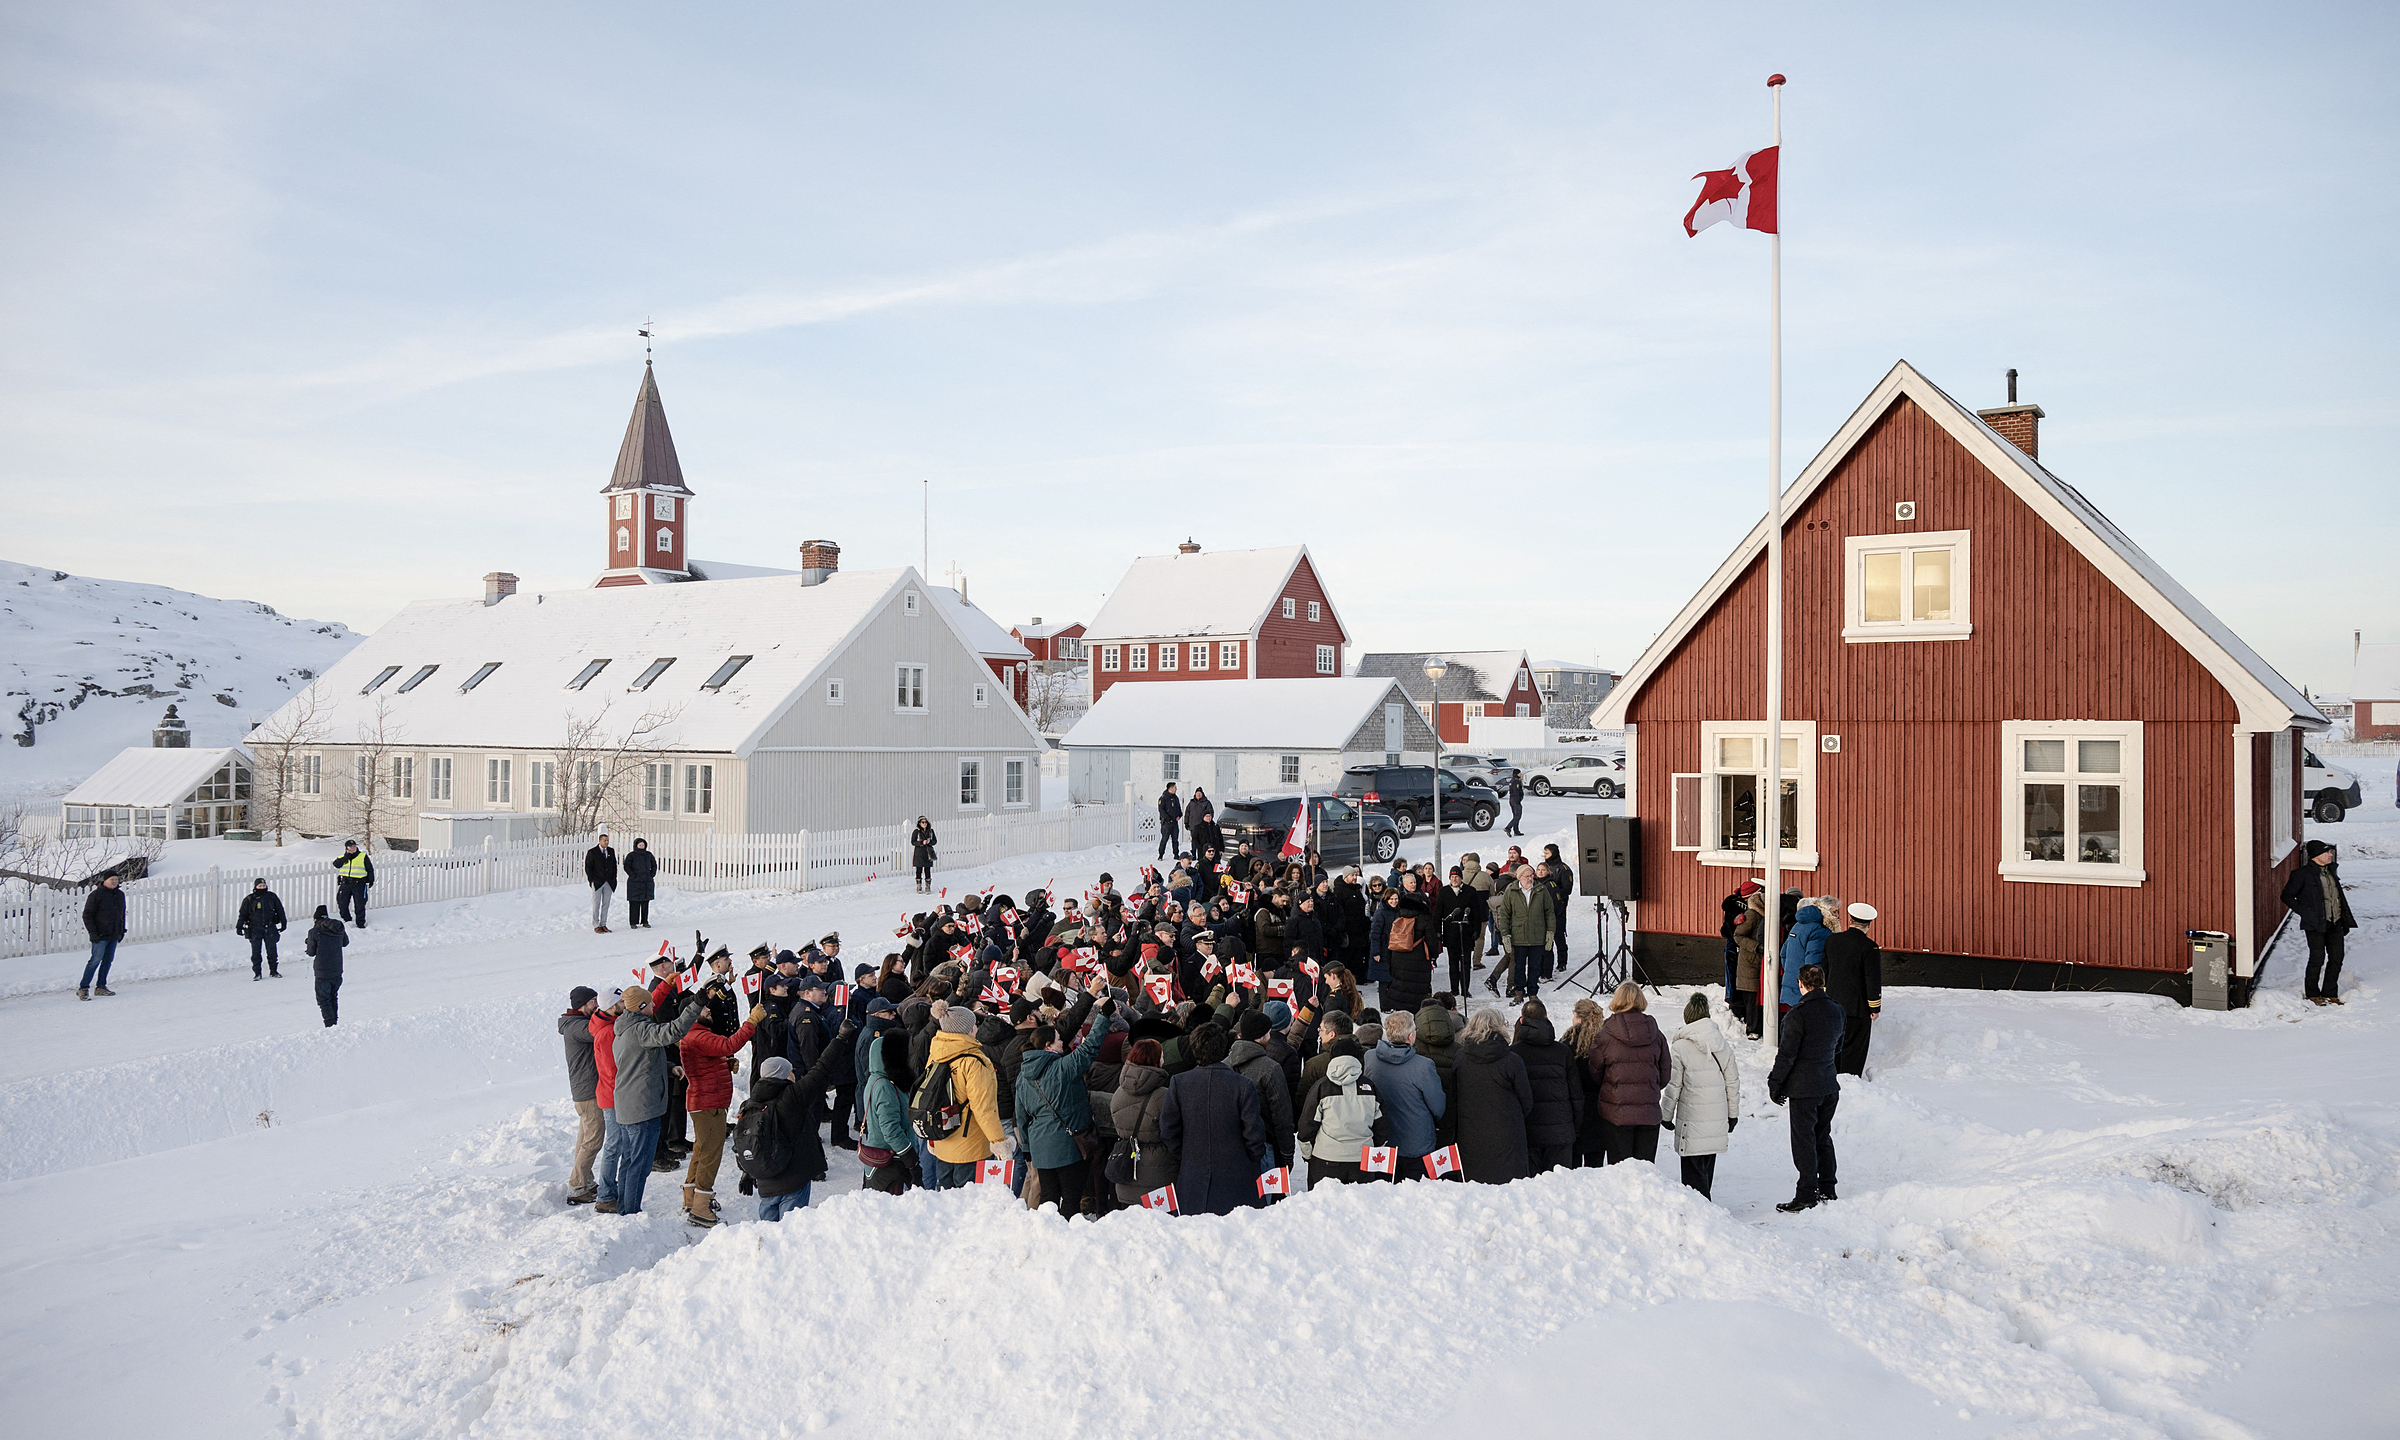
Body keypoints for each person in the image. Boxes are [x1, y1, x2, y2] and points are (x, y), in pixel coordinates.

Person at [737, 1021, 861, 1221]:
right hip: (793, 1181)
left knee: (768, 1231)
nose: (794, 1075)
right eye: (790, 1072)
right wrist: (841, 1038)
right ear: (783, 1075)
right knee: (790, 1230)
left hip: (766, 1184)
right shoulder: (792, 1098)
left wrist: (747, 1171)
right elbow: (821, 1069)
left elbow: (748, 1140)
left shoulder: (749, 1105)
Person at [1016, 993, 1118, 1217]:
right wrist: (1104, 1016)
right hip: (1069, 1146)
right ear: (1048, 1046)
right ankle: (1068, 1234)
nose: (1062, 1041)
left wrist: (1027, 1149)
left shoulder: (1023, 1076)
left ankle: (1048, 1233)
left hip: (1041, 1148)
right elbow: (1090, 1048)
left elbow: (1021, 1116)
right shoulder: (1063, 1068)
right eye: (1057, 1039)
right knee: (1072, 1199)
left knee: (1048, 1198)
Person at [607, 985, 704, 1216]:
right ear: (641, 1006)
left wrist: (669, 1068)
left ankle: (625, 1209)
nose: (653, 1005)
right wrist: (697, 1003)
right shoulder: (640, 1029)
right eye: (649, 1002)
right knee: (639, 1165)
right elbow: (674, 1031)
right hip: (641, 1109)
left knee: (630, 1162)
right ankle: (631, 1213)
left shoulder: (625, 1028)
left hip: (630, 1106)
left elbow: (637, 1062)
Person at [1159, 1022, 1267, 1214]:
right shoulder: (1242, 1085)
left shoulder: (1180, 1083)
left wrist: (1187, 1155)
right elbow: (1254, 1134)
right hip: (1236, 1178)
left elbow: (1168, 1130)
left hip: (1194, 1176)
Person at [1768, 963, 1845, 1212]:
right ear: (1823, 983)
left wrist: (1775, 1083)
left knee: (1804, 1142)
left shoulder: (1797, 1014)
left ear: (1800, 983)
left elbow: (1787, 1055)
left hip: (1804, 1089)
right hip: (1829, 1085)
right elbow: (1838, 1046)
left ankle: (1806, 1194)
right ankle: (1828, 1188)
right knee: (1822, 1137)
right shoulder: (1837, 1010)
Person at [676, 996, 757, 1227]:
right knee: (710, 1155)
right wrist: (751, 1022)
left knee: (701, 1151)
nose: (708, 1010)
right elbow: (728, 1045)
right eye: (703, 1008)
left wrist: (723, 1063)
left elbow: (712, 1056)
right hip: (708, 1103)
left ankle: (691, 1199)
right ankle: (701, 1208)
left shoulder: (696, 1033)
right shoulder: (697, 1034)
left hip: (705, 1102)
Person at [923, 1003, 1013, 1188]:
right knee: (968, 1197)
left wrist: (932, 1139)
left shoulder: (935, 1054)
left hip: (942, 1139)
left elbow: (930, 1098)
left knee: (946, 1196)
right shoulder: (974, 1062)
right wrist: (999, 1143)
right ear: (970, 1029)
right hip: (970, 1145)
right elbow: (984, 1109)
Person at [1660, 993, 1740, 1199]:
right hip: (1716, 1120)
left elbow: (1674, 1086)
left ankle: (1702, 1212)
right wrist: (1732, 1115)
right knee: (1706, 1171)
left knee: (1693, 1181)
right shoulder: (1722, 1044)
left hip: (1692, 1122)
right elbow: (1732, 1083)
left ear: (1687, 1017)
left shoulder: (1680, 1047)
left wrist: (1666, 1116)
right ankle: (1706, 1209)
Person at [1589, 982, 1670, 1165]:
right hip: (1648, 1112)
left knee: (1619, 1171)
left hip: (1616, 1113)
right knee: (1645, 1171)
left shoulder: (1605, 1035)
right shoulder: (1656, 1034)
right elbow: (1665, 1074)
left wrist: (1613, 1087)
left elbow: (1595, 1072)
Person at [1362, 1009, 1446, 1178]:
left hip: (1382, 1142)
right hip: (1416, 1143)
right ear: (1410, 1036)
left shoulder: (1370, 1058)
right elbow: (1438, 1107)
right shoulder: (1424, 1066)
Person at [1452, 1007, 1533, 1183]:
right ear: (1499, 1027)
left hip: (1470, 1135)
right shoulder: (1512, 1060)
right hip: (1507, 1136)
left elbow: (1455, 1095)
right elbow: (1526, 1101)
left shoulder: (1460, 1058)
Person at [1512, 998, 1584, 1174]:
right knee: (1561, 1187)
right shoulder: (1562, 1052)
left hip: (1528, 1133)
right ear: (1546, 1018)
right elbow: (1576, 1095)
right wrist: (1574, 1128)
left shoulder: (1513, 1054)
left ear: (1522, 1020)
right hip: (1561, 1132)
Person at [1227, 1011, 1297, 1183]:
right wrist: (1287, 1153)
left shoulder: (1224, 1065)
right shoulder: (1271, 1068)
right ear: (1262, 1036)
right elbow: (1282, 1116)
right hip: (1264, 1146)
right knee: (1265, 1197)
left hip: (1230, 1147)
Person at [2282, 840, 2356, 1005]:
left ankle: (2330, 993)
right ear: (2316, 855)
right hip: (2315, 924)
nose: (2330, 855)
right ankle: (2312, 994)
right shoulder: (2301, 874)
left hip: (2335, 922)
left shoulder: (2331, 871)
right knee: (2317, 958)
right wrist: (2305, 912)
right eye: (2327, 852)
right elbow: (2286, 896)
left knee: (2336, 958)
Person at [1297, 1052, 1386, 1186]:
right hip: (1362, 1159)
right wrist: (1375, 1150)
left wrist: (1307, 1154)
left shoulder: (1321, 1086)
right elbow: (1382, 1126)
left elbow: (1307, 1125)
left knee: (1324, 1199)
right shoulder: (1370, 1087)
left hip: (1326, 1159)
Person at [1109, 1037, 1180, 1206]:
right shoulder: (1163, 1096)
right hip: (1159, 1175)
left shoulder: (1118, 1093)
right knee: (1159, 1221)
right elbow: (1173, 1133)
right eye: (1161, 1056)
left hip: (1126, 1170)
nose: (1163, 1060)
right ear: (1154, 1061)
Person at [1823, 901, 1883, 1075]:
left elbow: (1825, 970)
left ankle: (1832, 1075)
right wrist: (1874, 1006)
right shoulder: (1869, 947)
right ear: (1869, 925)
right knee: (1854, 1047)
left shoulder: (1832, 940)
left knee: (1834, 1042)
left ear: (1850, 920)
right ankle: (1850, 1079)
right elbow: (1872, 978)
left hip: (1833, 1002)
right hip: (1858, 1007)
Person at [560, 986, 604, 1204]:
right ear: (582, 1004)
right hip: (588, 1091)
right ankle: (577, 1186)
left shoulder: (576, 1023)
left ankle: (584, 1180)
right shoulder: (576, 1026)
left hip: (586, 1090)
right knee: (594, 1139)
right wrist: (607, 1012)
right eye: (593, 1001)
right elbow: (596, 1031)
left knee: (585, 1138)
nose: (597, 1005)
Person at [859, 1029, 917, 1195]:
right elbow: (891, 1130)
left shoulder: (875, 1079)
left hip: (880, 1164)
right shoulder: (885, 1087)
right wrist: (910, 1158)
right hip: (890, 1166)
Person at [1493, 865, 1556, 1001]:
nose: (1530, 878)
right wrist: (1505, 934)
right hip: (1518, 936)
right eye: (1527, 876)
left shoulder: (1541, 890)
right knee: (1519, 967)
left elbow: (1550, 912)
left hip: (1537, 935)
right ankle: (1519, 992)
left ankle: (1533, 993)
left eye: (1531, 875)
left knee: (1535, 967)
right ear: (1519, 877)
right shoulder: (1512, 891)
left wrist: (1550, 932)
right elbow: (1505, 914)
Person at [590, 989, 623, 1211]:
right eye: (621, 1002)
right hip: (613, 1096)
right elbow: (614, 1070)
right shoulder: (608, 1032)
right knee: (614, 1145)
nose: (625, 1005)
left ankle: (609, 1190)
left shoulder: (608, 1026)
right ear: (611, 1007)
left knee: (616, 1144)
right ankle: (605, 1195)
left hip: (613, 1094)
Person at [78, 871, 126, 1000]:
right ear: (105, 881)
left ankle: (101, 987)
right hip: (100, 935)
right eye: (112, 879)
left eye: (116, 879)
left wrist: (121, 930)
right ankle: (83, 988)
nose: (114, 882)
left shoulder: (120, 895)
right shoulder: (96, 895)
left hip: (113, 934)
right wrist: (92, 932)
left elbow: (121, 914)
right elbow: (87, 915)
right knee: (95, 961)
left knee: (108, 961)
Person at [1777, 899, 1830, 1011]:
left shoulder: (1797, 926)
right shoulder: (1818, 930)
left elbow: (1783, 952)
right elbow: (1813, 963)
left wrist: (1791, 971)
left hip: (1793, 983)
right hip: (1808, 989)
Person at [1439, 867, 1483, 998]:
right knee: (1453, 963)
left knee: (1465, 963)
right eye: (1452, 877)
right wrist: (1438, 931)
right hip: (1451, 933)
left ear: (1461, 878)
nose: (1454, 879)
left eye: (1457, 877)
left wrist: (1476, 930)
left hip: (1466, 933)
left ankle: (1465, 989)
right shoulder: (1444, 892)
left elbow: (1476, 913)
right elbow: (1438, 913)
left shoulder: (1470, 891)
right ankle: (1454, 989)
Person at [301, 904, 347, 1026]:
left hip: (322, 972)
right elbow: (345, 943)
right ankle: (334, 1023)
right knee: (333, 997)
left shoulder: (314, 932)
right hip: (337, 969)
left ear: (315, 918)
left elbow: (311, 952)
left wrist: (309, 943)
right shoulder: (338, 927)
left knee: (323, 1000)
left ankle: (330, 1025)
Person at [236, 877, 287, 981]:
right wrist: (239, 926)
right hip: (255, 928)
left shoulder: (272, 897)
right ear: (255, 887)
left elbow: (280, 910)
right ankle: (257, 973)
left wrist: (283, 923)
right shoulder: (249, 899)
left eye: (263, 886)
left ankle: (273, 971)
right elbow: (243, 914)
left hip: (270, 927)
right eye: (260, 886)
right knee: (256, 953)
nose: (262, 887)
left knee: (272, 951)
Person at [333, 840, 374, 927]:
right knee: (342, 902)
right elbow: (336, 864)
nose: (353, 848)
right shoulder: (343, 857)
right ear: (347, 848)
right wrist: (346, 857)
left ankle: (360, 923)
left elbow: (370, 869)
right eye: (351, 846)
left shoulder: (362, 856)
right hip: (345, 883)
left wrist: (370, 880)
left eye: (354, 846)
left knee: (360, 904)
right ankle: (347, 919)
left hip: (359, 884)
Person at [584, 834, 619, 934]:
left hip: (609, 882)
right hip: (597, 882)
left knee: (606, 904)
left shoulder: (611, 851)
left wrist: (613, 878)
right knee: (596, 903)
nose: (606, 842)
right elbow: (588, 867)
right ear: (599, 841)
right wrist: (592, 880)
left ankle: (603, 924)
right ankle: (596, 924)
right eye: (604, 840)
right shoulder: (592, 852)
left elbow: (614, 865)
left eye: (607, 840)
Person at [623, 838, 658, 929]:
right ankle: (633, 922)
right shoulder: (631, 855)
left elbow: (654, 865)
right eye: (640, 845)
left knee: (645, 903)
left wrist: (651, 875)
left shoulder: (649, 855)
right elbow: (627, 866)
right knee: (634, 903)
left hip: (646, 882)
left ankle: (645, 921)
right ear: (636, 846)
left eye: (643, 845)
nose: (641, 847)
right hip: (634, 882)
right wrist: (633, 875)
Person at [910, 817, 939, 894]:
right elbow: (913, 842)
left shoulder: (931, 831)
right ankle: (919, 886)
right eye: (922, 822)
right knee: (918, 870)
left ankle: (928, 886)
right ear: (919, 823)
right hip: (919, 853)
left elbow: (935, 841)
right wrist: (921, 842)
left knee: (927, 870)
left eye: (925, 822)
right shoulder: (916, 832)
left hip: (928, 853)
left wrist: (930, 841)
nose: (924, 824)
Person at [1156, 782, 1181, 860]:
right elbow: (1161, 810)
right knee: (1164, 839)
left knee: (1175, 839)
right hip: (1166, 823)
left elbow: (1179, 808)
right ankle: (1161, 855)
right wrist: (1168, 818)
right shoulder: (1163, 798)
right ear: (1170, 788)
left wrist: (1179, 815)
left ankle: (1176, 854)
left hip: (1175, 823)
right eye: (1174, 787)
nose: (1176, 789)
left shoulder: (1176, 798)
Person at [1504, 770, 1525, 837]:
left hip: (1512, 800)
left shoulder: (1513, 780)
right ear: (1517, 774)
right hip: (1515, 801)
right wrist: (1519, 799)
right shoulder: (1516, 781)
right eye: (1519, 773)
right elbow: (1516, 792)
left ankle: (1516, 831)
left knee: (1515, 816)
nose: (1521, 774)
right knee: (1518, 816)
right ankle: (1508, 828)